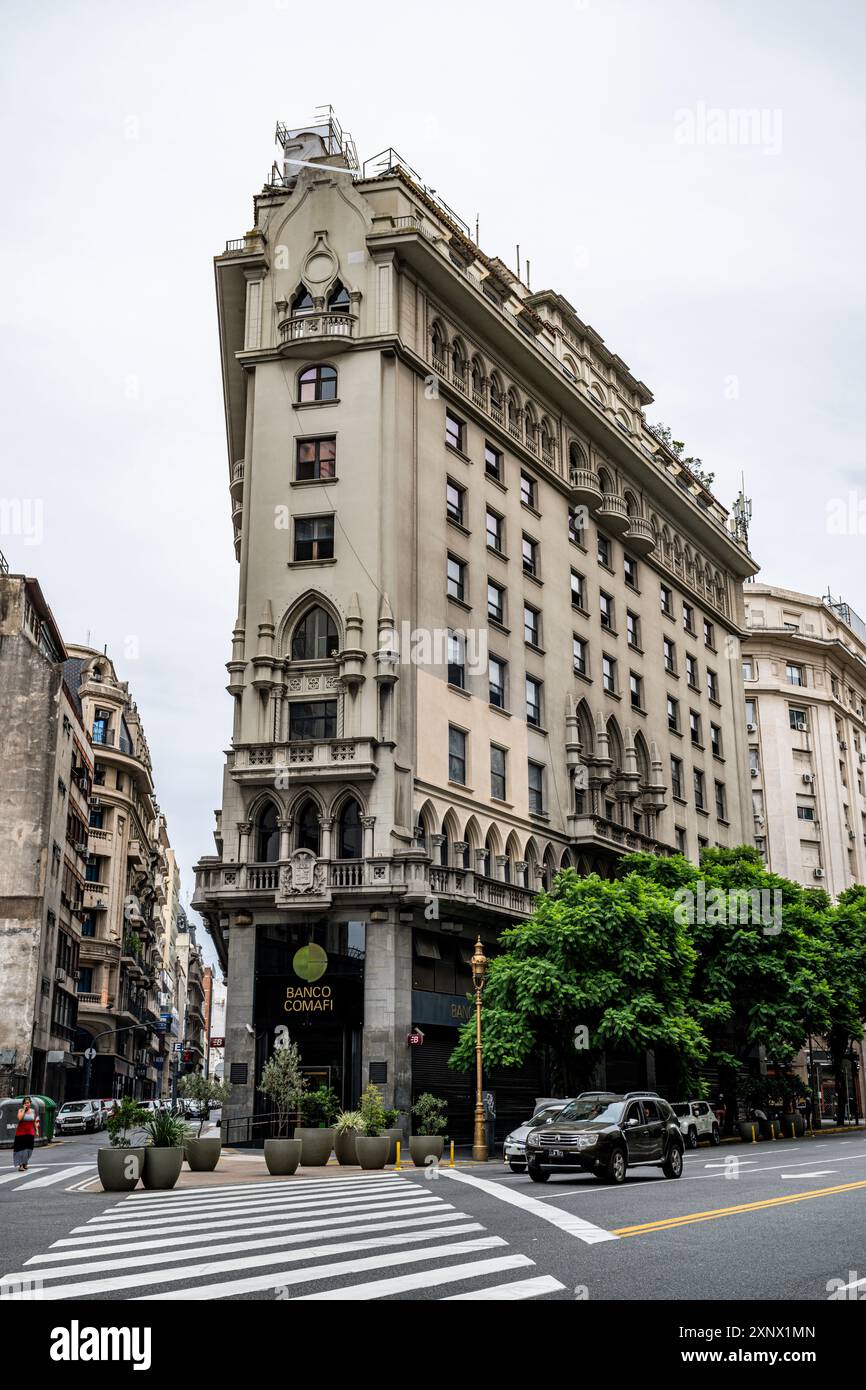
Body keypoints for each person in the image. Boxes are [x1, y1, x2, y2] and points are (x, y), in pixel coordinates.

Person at [13, 1097, 40, 1171]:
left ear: (30, 1103)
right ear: (23, 1104)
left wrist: (36, 1130)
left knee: (29, 1150)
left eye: (28, 1103)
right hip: (21, 1134)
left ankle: (25, 1163)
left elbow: (34, 1122)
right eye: (25, 1103)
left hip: (30, 1133)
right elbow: (20, 1118)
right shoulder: (20, 1110)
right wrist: (24, 1110)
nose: (27, 1104)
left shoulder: (33, 1111)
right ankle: (21, 1165)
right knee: (21, 1150)